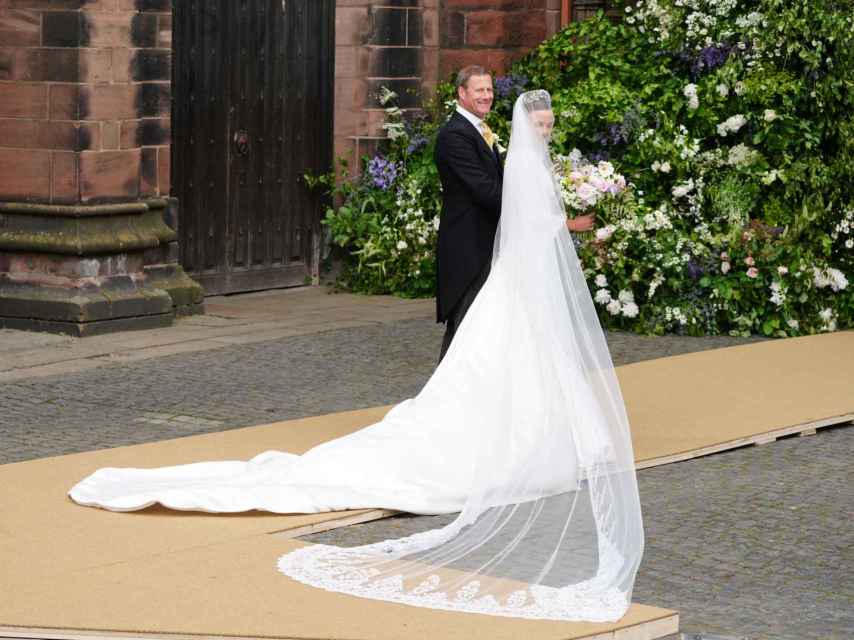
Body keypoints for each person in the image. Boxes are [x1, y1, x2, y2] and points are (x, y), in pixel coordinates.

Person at [69, 90, 643, 624]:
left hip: (517, 279)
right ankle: (502, 437)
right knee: (494, 359)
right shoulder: (505, 159)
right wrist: (568, 221)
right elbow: (515, 213)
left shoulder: (515, 154)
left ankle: (542, 433)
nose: (544, 132)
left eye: (547, 126)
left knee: (520, 358)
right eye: (539, 125)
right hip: (512, 277)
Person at [435, 67, 595, 361]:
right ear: (462, 93)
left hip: (493, 244)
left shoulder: (480, 131)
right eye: (479, 90)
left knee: (485, 328)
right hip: (469, 247)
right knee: (467, 328)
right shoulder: (454, 136)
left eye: (489, 90)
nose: (487, 96)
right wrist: (550, 220)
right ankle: (445, 397)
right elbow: (485, 191)